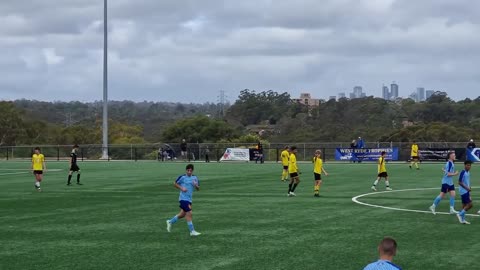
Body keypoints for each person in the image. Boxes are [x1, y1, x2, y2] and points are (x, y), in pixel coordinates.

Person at [166, 164, 201, 236]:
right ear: (186, 170)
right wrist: (181, 188)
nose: (189, 172)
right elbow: (175, 183)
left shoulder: (195, 178)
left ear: (192, 171)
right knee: (189, 213)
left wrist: (195, 185)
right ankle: (192, 231)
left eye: (190, 171)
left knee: (182, 214)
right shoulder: (182, 177)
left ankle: (170, 222)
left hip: (189, 199)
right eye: (188, 170)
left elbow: (198, 188)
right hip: (183, 198)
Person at [456, 160, 473, 224]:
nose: (469, 166)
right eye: (467, 165)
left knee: (464, 206)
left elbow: (466, 181)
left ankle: (463, 220)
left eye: (470, 165)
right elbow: (459, 182)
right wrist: (467, 188)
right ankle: (459, 214)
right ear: (464, 165)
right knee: (470, 205)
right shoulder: (463, 172)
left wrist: (469, 187)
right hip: (464, 191)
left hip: (466, 190)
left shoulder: (468, 172)